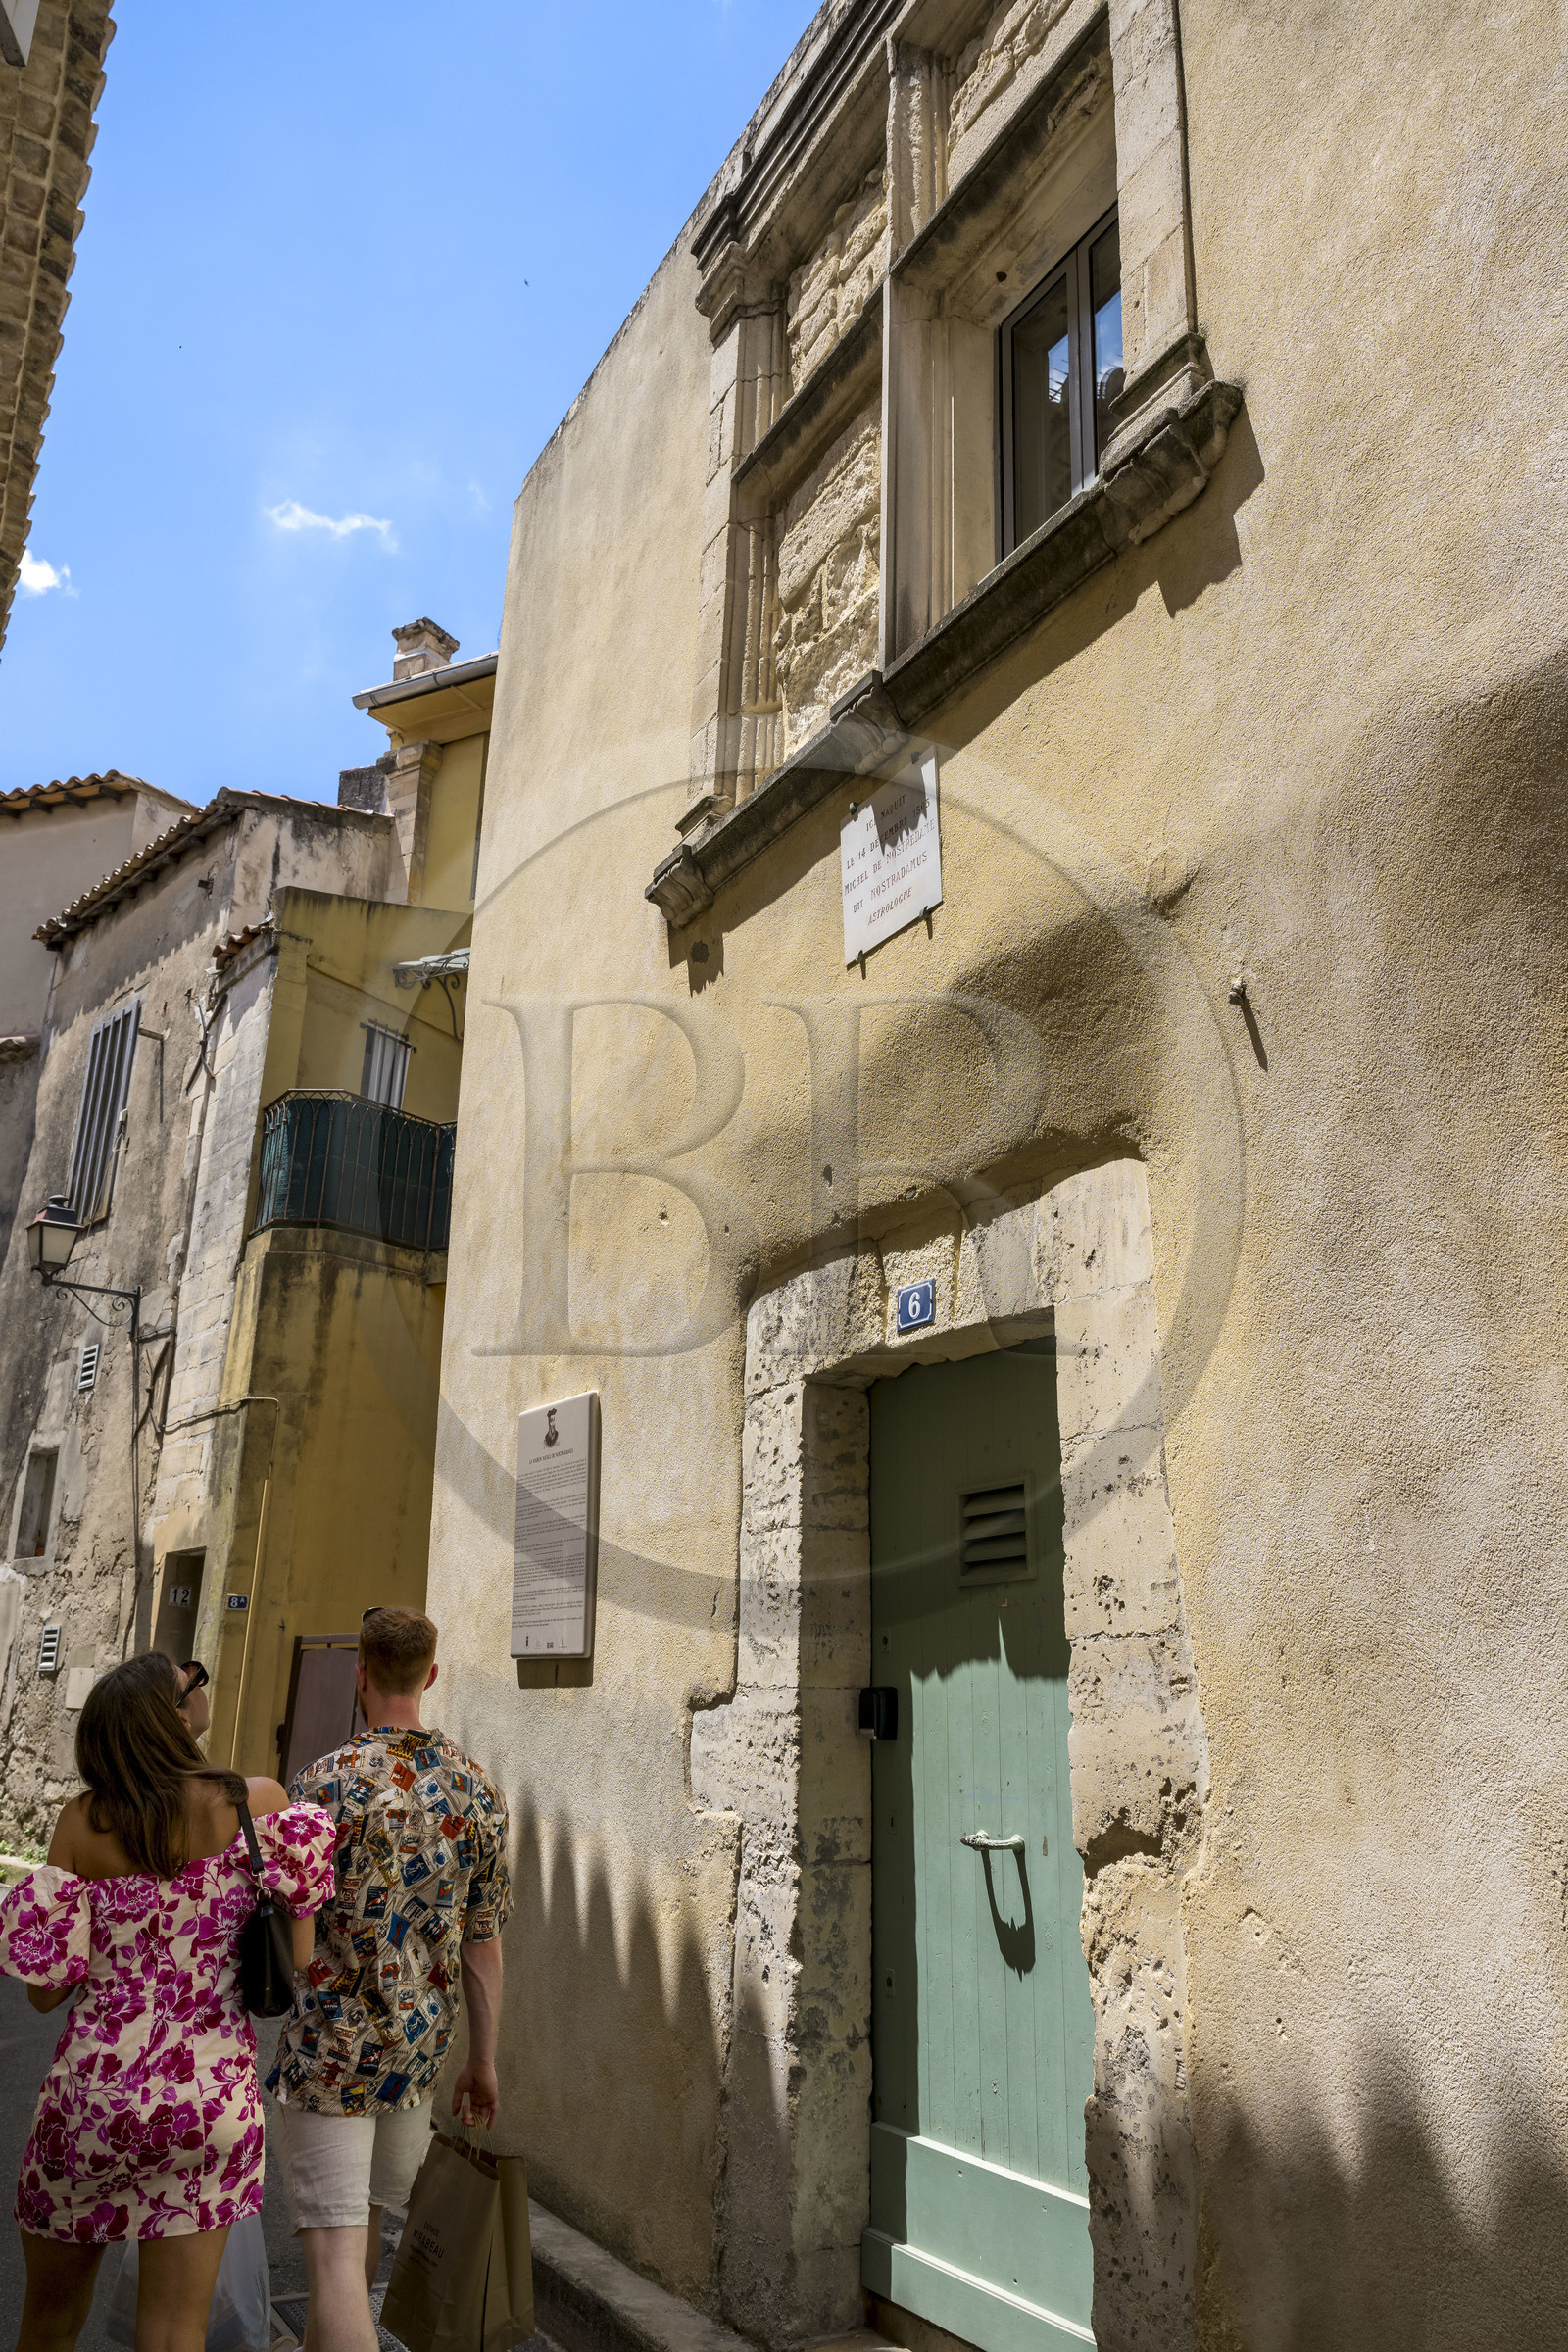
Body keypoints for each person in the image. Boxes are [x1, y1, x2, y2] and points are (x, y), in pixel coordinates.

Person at [0, 1652, 335, 2352]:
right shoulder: (258, 1803)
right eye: (191, 1685)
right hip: (209, 2102)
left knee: (49, 2326)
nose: (201, 1688)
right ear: (172, 1717)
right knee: (175, 2332)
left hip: (92, 2100)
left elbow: (44, 1992)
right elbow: (299, 1960)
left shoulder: (81, 1822)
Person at [267, 1607, 511, 2352]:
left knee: (336, 2264)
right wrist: (484, 2059)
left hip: (332, 2054)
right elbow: (484, 1945)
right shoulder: (475, 1790)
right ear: (431, 1676)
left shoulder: (322, 1784)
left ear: (360, 1673)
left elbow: (288, 1929)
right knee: (363, 2238)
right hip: (418, 2058)